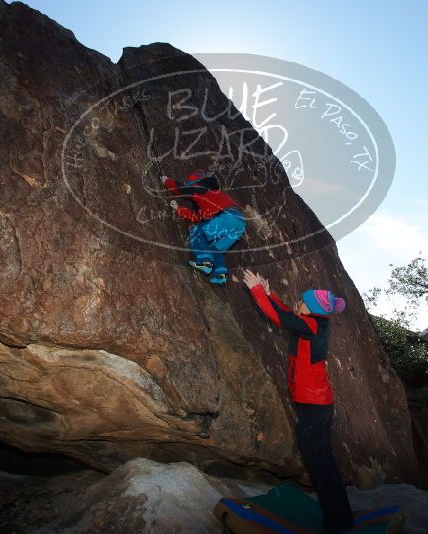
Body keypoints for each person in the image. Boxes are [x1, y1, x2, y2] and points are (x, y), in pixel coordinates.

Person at [241, 268, 354, 534]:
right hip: (315, 404)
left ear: (311, 308)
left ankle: (338, 522)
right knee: (321, 460)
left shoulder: (312, 325)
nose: (298, 303)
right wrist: (270, 293)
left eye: (303, 301)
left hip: (314, 407)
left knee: (320, 462)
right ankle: (341, 517)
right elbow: (289, 316)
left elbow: (280, 319)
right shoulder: (314, 323)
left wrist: (257, 291)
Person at [161, 170, 245, 286]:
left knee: (196, 231)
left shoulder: (203, 190)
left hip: (227, 216)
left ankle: (205, 262)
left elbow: (182, 190)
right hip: (239, 224)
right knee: (215, 249)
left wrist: (166, 180)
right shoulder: (211, 199)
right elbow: (197, 217)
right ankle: (220, 274)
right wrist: (178, 209)